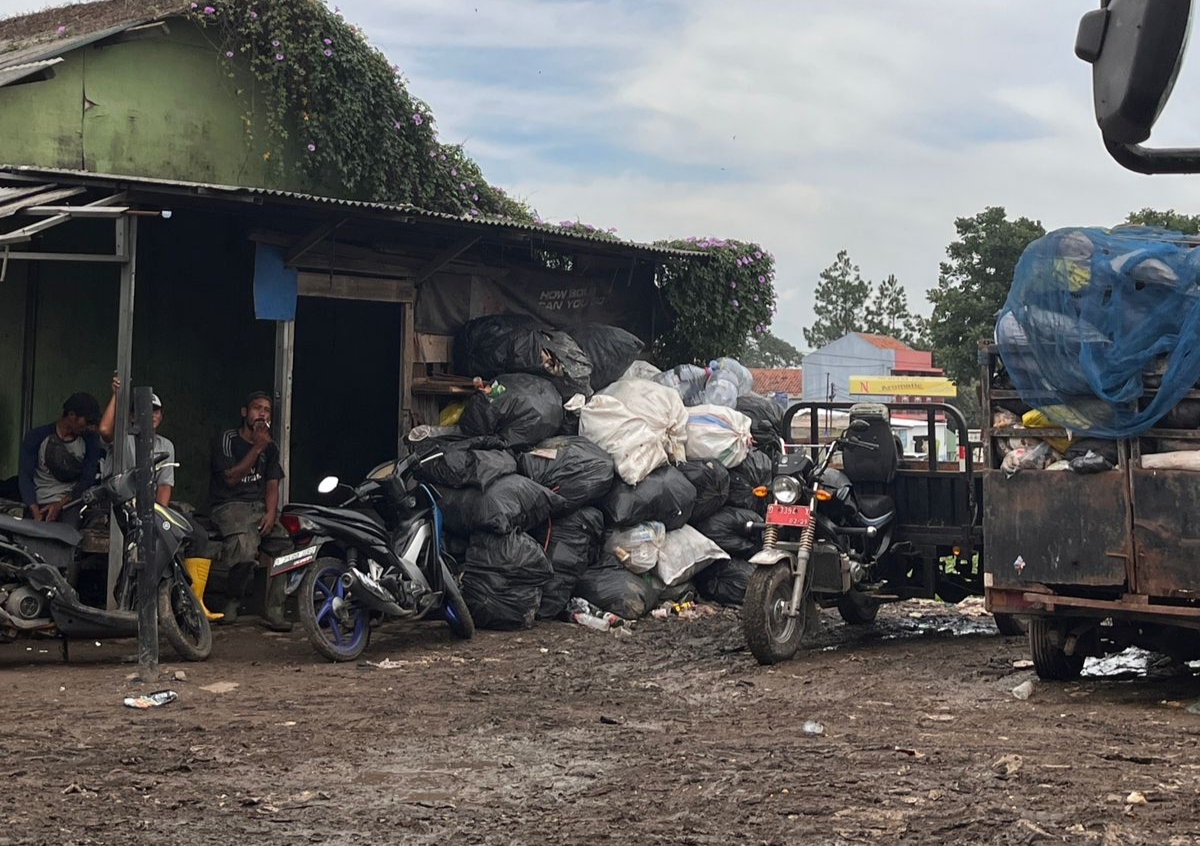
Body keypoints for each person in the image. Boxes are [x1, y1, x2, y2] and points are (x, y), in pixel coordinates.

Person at [99, 376, 223, 622]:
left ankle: (195, 603)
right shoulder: (124, 439)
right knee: (139, 554)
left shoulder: (166, 444)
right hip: (127, 506)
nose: (152, 415)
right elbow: (104, 430)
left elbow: (166, 485)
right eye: (147, 410)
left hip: (153, 506)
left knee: (196, 534)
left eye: (156, 411)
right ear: (134, 416)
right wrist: (116, 395)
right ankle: (131, 606)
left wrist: (159, 518)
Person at [208, 391, 292, 631]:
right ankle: (233, 599)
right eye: (257, 408)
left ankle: (274, 610)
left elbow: (272, 484)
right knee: (245, 550)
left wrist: (271, 512)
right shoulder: (227, 439)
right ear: (244, 412)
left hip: (258, 508)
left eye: (266, 410)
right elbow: (231, 479)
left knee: (285, 547)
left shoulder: (271, 447)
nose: (262, 414)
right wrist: (256, 448)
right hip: (229, 506)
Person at [18, 393, 102, 526]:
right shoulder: (36, 437)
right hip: (39, 503)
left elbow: (87, 479)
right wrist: (35, 511)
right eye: (87, 421)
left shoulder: (90, 441)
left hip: (70, 504)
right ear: (72, 415)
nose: (89, 426)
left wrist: (59, 505)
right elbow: (25, 476)